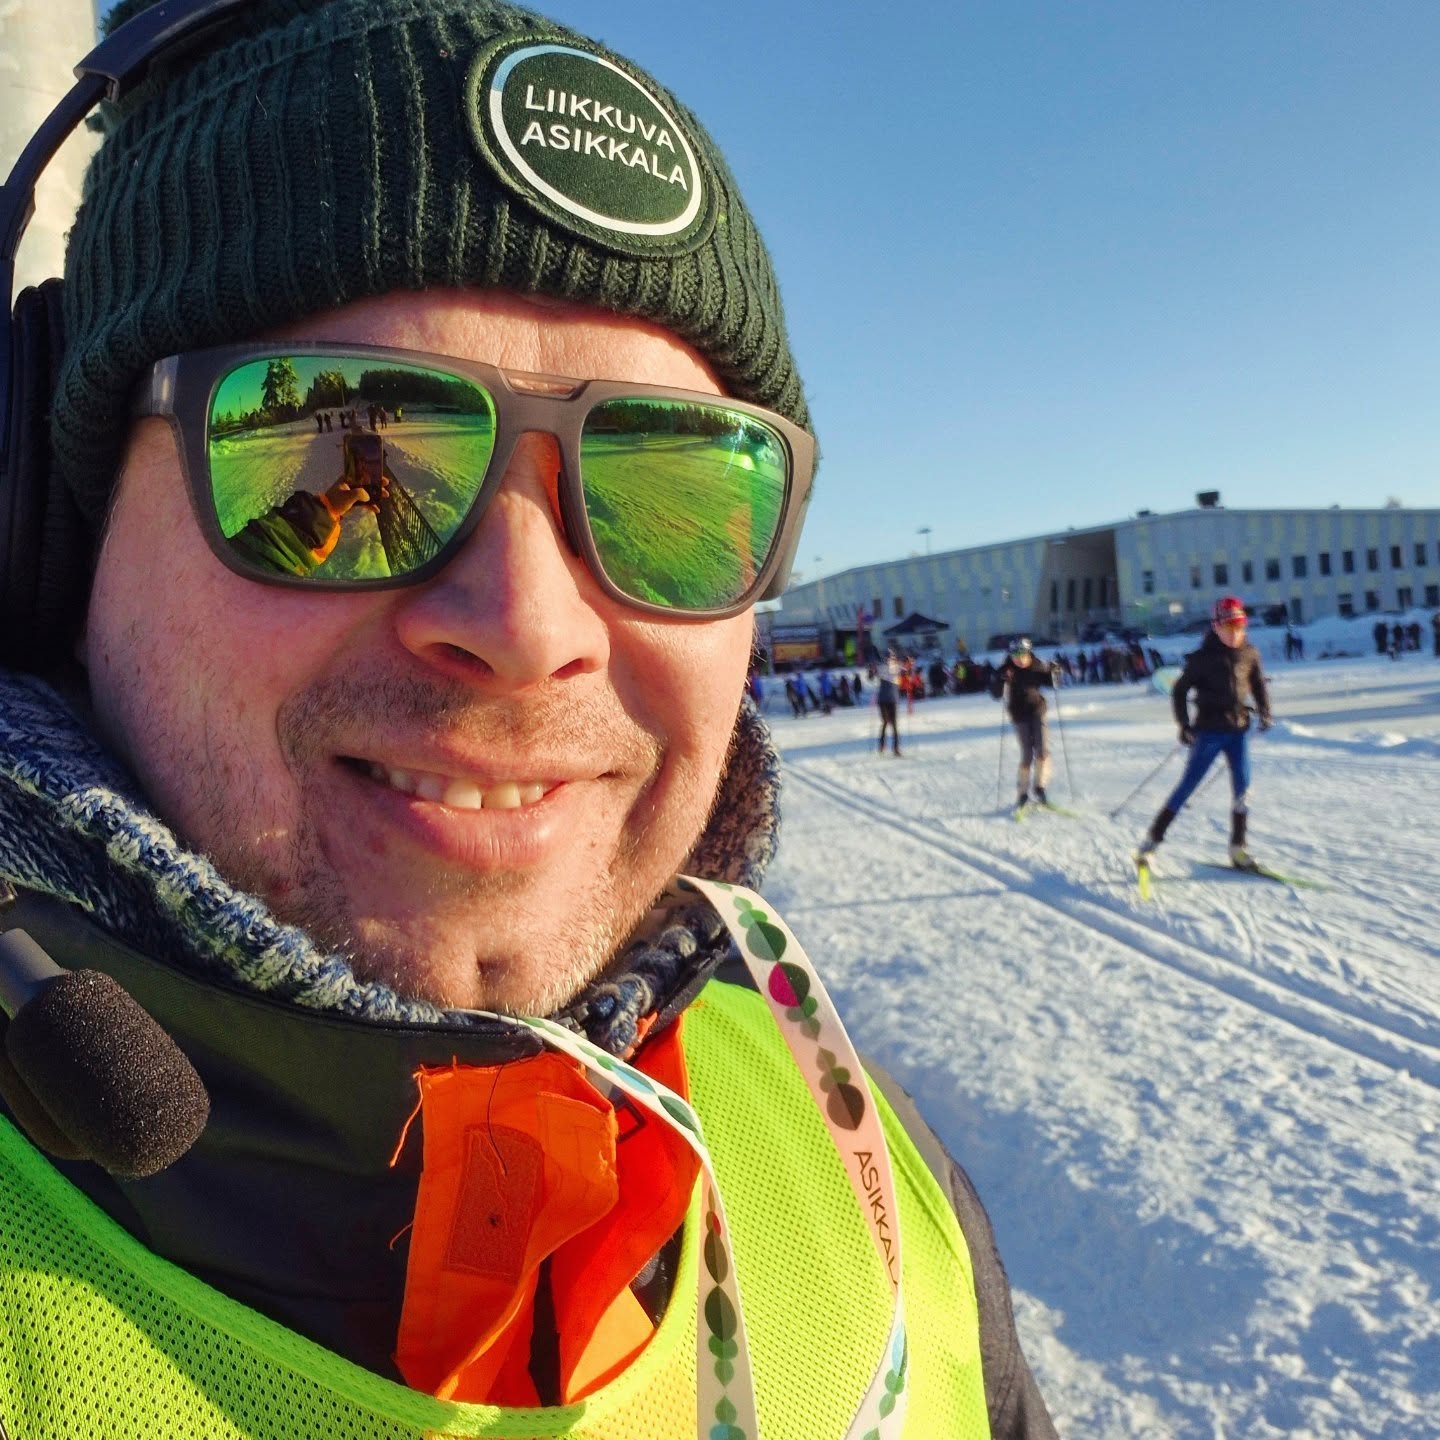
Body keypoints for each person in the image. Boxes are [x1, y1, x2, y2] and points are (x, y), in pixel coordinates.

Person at [0, 1, 1056, 1436]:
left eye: (673, 489)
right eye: (338, 445)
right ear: (56, 540)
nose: (528, 625)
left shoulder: (857, 1163)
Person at [1136, 596, 1273, 869]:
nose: (1234, 634)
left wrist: (1265, 711)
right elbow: (1179, 691)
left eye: (1239, 627)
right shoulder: (1202, 658)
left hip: (1238, 731)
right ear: (1216, 627)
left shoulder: (1249, 653)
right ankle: (1150, 843)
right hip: (1209, 731)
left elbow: (1257, 683)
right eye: (1229, 627)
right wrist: (1184, 725)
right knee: (1187, 787)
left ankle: (1238, 848)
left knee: (1243, 790)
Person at [991, 638, 1056, 809]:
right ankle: (1022, 793)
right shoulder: (1006, 669)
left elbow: (1052, 683)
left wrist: (1054, 672)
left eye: (1022, 655)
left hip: (1037, 710)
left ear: (1028, 653)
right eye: (1015, 655)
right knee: (1027, 754)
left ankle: (1040, 787)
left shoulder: (1037, 665)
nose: (1019, 659)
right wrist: (1000, 680)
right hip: (1019, 714)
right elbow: (996, 694)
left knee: (1042, 750)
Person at [876, 646, 902, 756]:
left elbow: (904, 672)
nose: (889, 659)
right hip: (883, 700)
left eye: (891, 657)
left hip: (893, 699)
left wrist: (908, 668)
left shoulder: (897, 667)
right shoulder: (882, 667)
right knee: (885, 722)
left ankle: (896, 748)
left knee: (894, 724)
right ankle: (882, 745)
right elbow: (886, 673)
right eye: (887, 657)